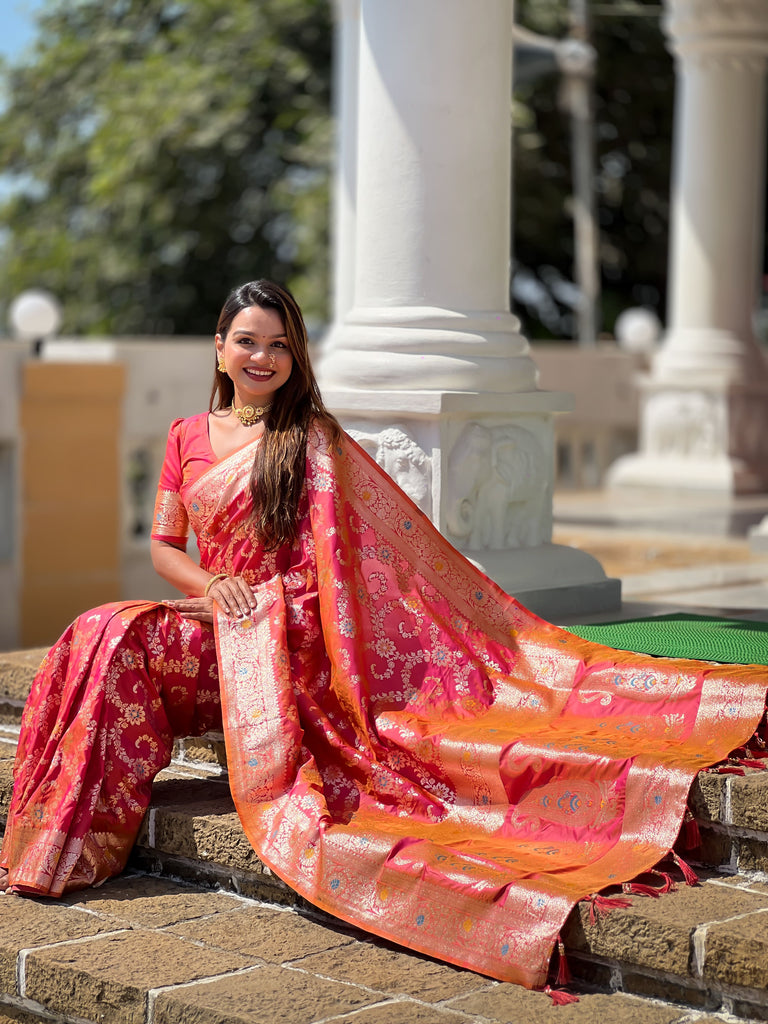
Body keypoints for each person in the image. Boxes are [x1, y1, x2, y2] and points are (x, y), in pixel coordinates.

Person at [1, 280, 766, 993]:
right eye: (247, 341)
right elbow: (166, 546)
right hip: (215, 623)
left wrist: (263, 605)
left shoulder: (312, 439)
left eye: (278, 344)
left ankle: (75, 841)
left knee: (114, 629)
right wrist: (215, 590)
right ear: (219, 348)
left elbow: (339, 570)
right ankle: (70, 836)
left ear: (296, 355)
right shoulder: (184, 436)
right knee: (104, 628)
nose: (262, 357)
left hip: (284, 640)